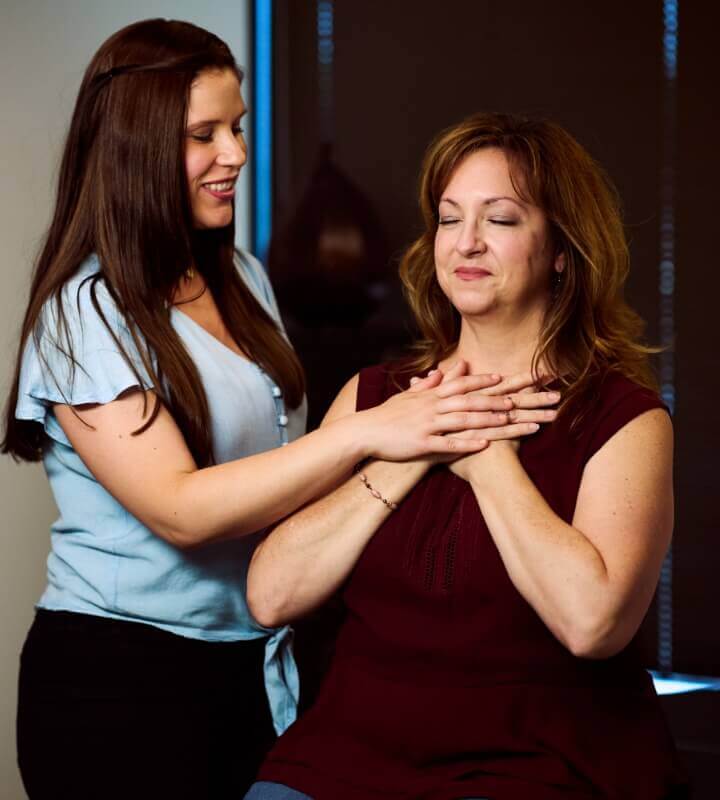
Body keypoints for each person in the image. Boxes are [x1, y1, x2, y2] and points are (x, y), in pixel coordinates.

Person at [1, 23, 556, 800]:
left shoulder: (242, 278)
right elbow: (182, 511)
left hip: (254, 667)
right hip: (119, 681)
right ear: (136, 145)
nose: (235, 153)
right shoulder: (85, 314)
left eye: (237, 128)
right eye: (204, 135)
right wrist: (376, 432)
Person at [244, 113, 690, 799]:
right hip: (345, 755)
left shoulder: (623, 417)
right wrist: (408, 448)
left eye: (502, 220)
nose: (467, 243)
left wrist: (490, 462)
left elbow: (593, 624)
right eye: (449, 220)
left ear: (562, 249)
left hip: (539, 763)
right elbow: (271, 596)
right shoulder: (376, 398)